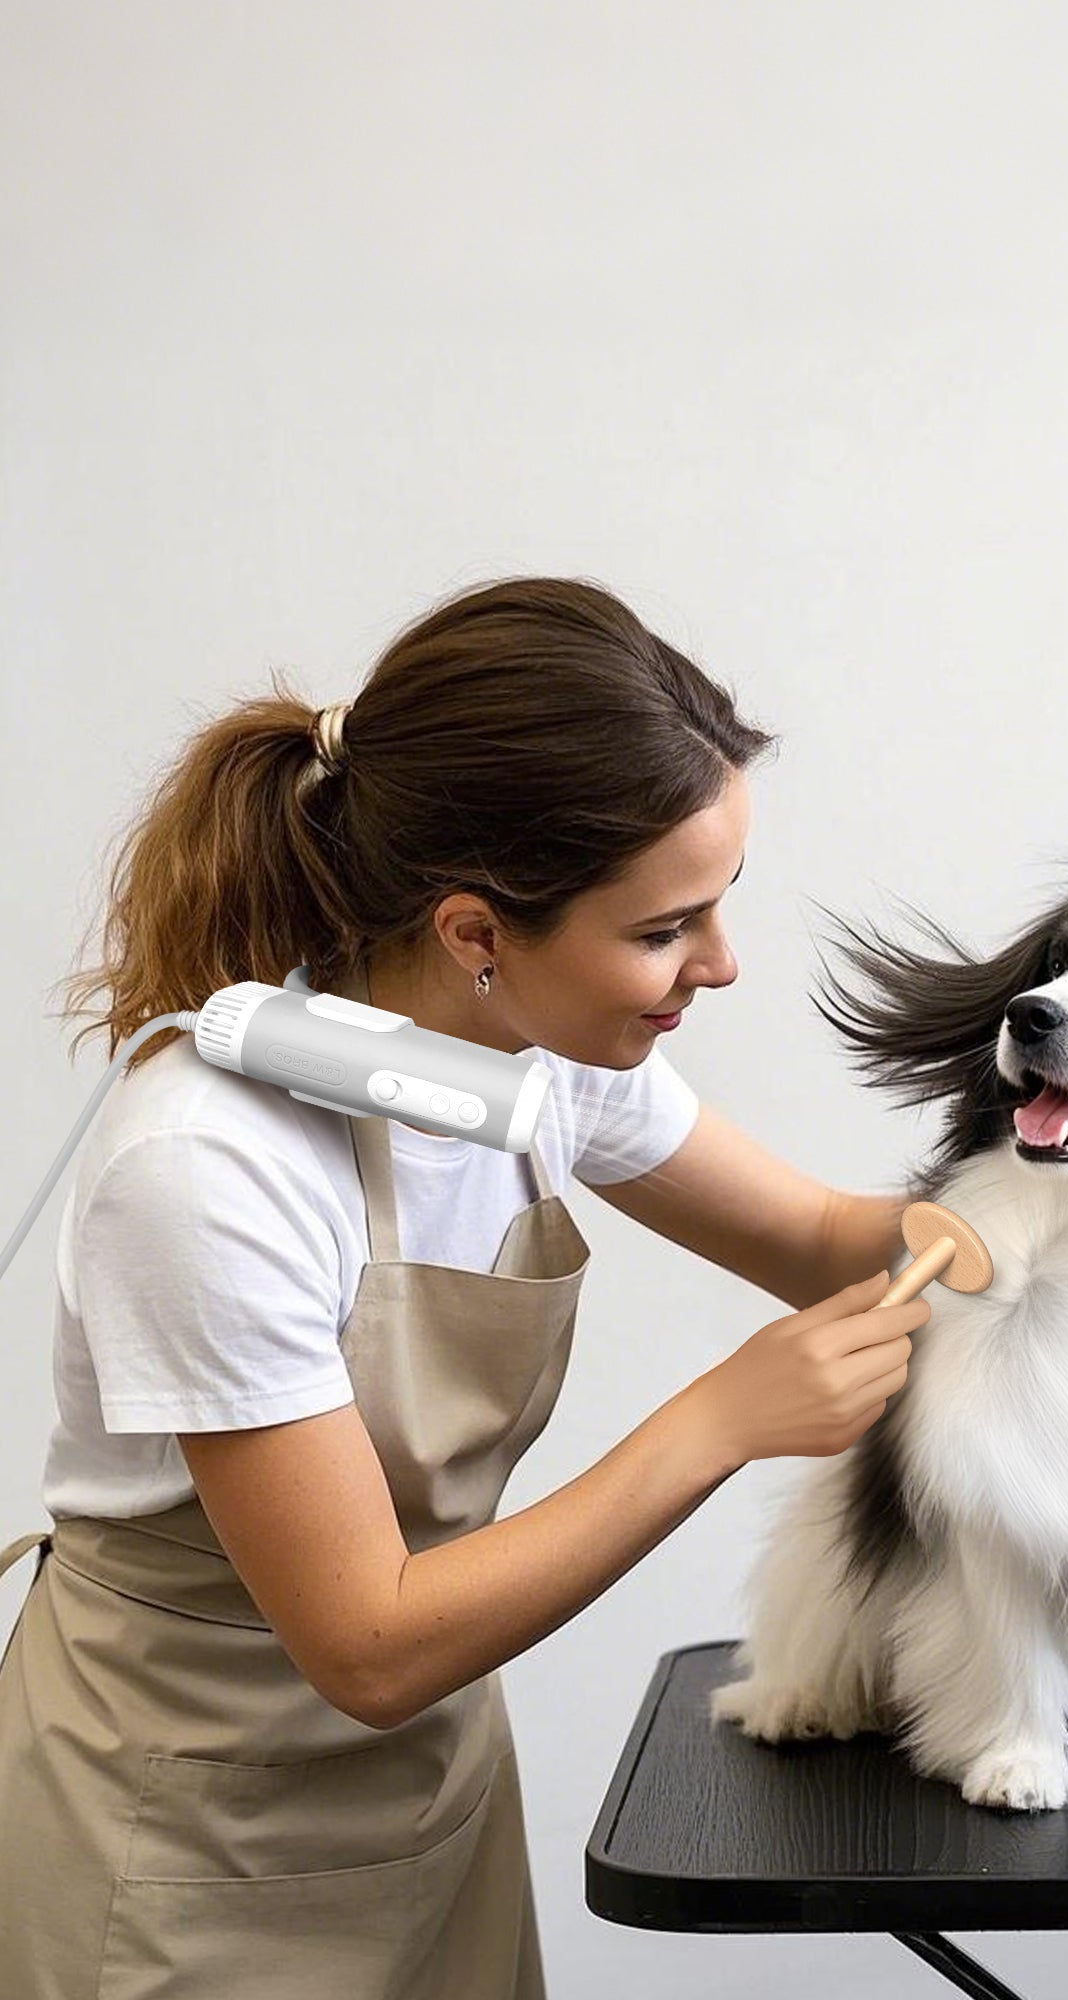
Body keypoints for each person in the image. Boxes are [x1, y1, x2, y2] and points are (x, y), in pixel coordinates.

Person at [0, 577, 929, 1998]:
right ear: (476, 935)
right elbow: (369, 1644)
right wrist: (721, 1423)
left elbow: (818, 1239)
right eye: (665, 929)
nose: (719, 965)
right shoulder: (205, 1166)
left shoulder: (540, 1058)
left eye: (718, 904)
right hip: (184, 1825)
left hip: (429, 1795)